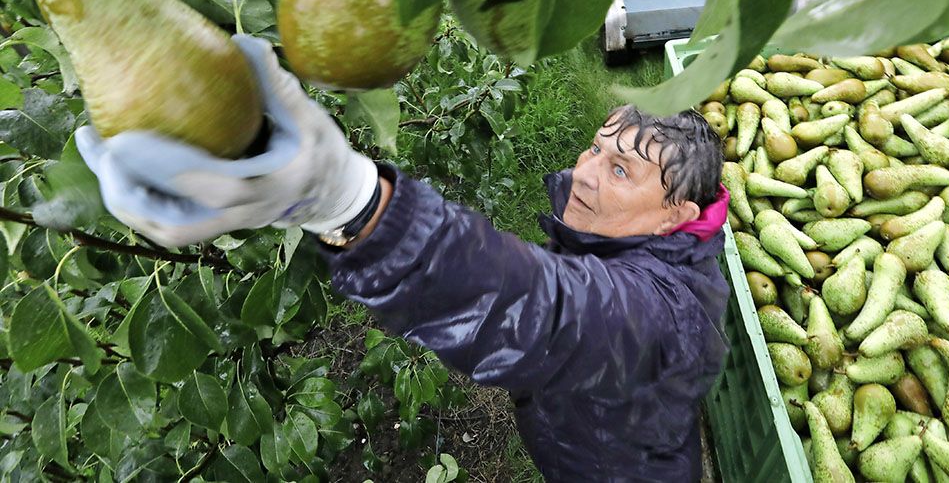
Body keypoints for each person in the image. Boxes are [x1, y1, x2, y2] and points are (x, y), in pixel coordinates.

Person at [76, 36, 732, 482]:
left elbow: (547, 310)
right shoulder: (634, 237)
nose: (585, 172)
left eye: (620, 169)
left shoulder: (665, 313)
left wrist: (354, 204)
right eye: (595, 148)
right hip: (584, 437)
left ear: (677, 212)